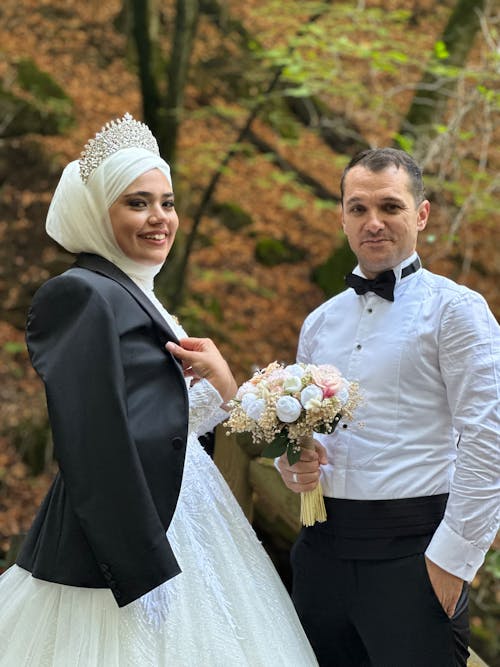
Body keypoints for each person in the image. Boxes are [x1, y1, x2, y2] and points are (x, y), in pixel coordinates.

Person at [0, 113, 318, 666]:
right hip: (128, 536)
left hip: (195, 519)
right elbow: (93, 438)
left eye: (167, 202)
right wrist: (139, 560)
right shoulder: (80, 294)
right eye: (137, 202)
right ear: (100, 213)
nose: (159, 218)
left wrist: (224, 381)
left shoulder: (137, 294)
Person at [277, 147, 500, 667]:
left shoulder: (458, 312)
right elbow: (303, 441)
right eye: (358, 208)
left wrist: (453, 561)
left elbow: (490, 439)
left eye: (390, 207)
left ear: (420, 214)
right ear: (342, 217)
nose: (373, 223)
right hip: (319, 555)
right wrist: (292, 465)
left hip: (414, 558)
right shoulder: (319, 323)